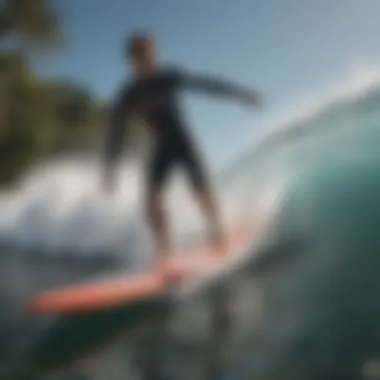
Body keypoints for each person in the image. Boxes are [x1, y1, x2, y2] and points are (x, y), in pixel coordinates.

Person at [102, 31, 262, 278]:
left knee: (200, 192)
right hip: (163, 146)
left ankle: (217, 232)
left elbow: (207, 85)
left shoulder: (168, 76)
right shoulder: (128, 93)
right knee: (151, 200)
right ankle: (164, 254)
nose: (149, 58)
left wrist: (241, 94)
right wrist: (110, 169)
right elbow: (117, 134)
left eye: (151, 52)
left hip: (183, 142)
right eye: (142, 54)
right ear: (131, 59)